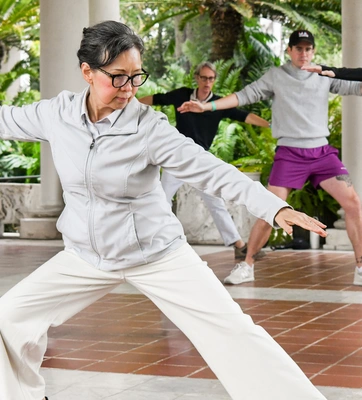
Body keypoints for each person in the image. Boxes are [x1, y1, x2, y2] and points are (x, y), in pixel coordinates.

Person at [0, 21, 328, 400]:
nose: (129, 89)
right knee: (8, 318)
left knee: (232, 331)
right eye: (118, 77)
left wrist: (275, 209)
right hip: (86, 255)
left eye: (136, 77)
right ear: (87, 72)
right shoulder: (58, 115)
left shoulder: (148, 128)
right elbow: (5, 119)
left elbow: (211, 170)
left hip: (155, 254)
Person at [178, 29, 362, 286]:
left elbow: (357, 87)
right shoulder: (277, 76)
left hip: (321, 152)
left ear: (313, 51)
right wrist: (206, 106)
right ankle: (247, 264)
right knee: (271, 209)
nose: (303, 53)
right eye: (298, 48)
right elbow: (244, 96)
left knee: (353, 203)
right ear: (289, 50)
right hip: (290, 153)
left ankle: (361, 266)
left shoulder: (324, 76)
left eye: (308, 49)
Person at [138, 61, 269, 261]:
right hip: (177, 158)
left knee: (216, 202)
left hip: (201, 160)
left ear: (214, 80)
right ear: (197, 78)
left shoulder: (218, 103)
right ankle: (147, 244)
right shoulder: (182, 95)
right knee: (161, 198)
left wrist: (270, 125)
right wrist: (129, 104)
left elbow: (244, 116)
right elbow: (156, 98)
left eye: (211, 78)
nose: (207, 82)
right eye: (204, 77)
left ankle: (238, 245)